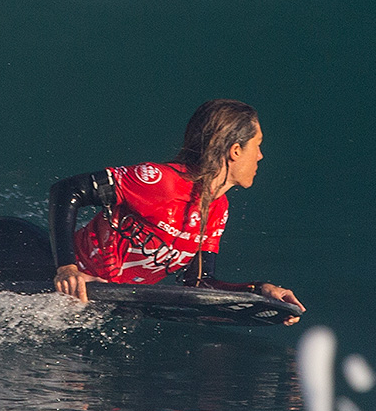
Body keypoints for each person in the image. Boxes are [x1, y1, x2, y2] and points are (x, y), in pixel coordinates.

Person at [50, 99, 304, 320]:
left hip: (103, 299)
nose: (260, 156)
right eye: (257, 145)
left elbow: (199, 283)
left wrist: (259, 290)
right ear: (235, 151)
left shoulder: (217, 209)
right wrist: (67, 268)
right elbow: (67, 190)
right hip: (50, 273)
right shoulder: (161, 181)